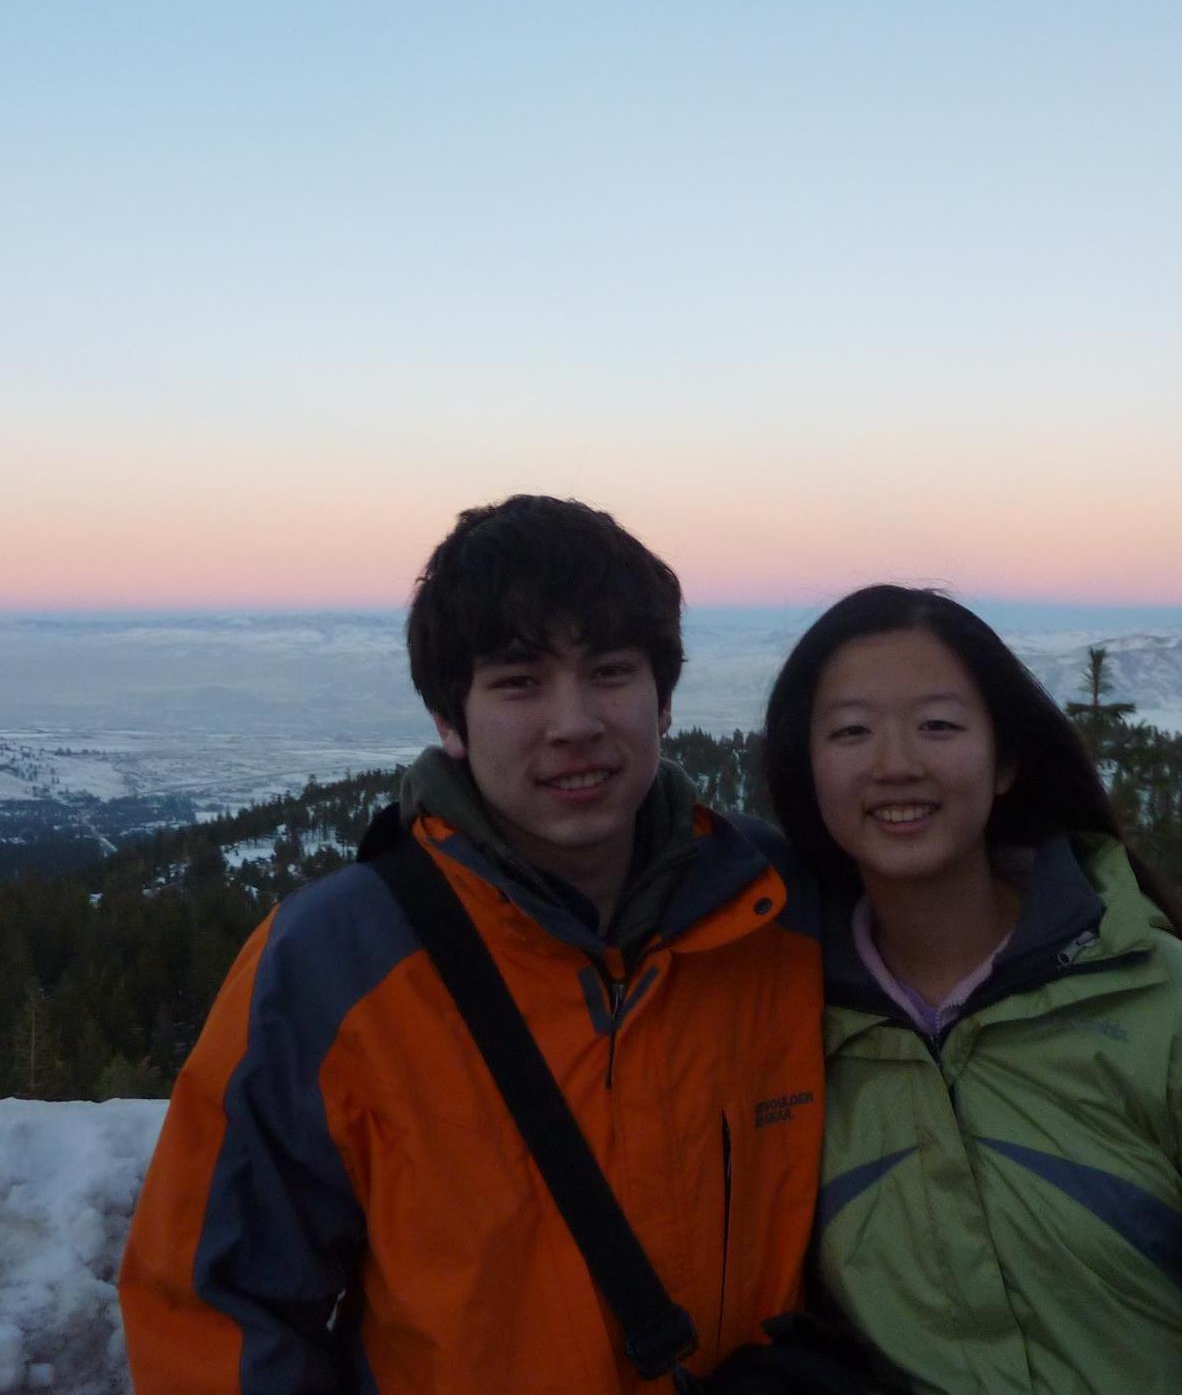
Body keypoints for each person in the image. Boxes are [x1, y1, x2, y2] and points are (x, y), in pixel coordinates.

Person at [118, 495, 825, 1393]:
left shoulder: (778, 909)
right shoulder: (333, 963)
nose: (574, 722)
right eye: (519, 683)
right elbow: (214, 1314)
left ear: (663, 697)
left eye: (609, 671)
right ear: (451, 720)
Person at [763, 585, 1182, 1395]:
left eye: (939, 725)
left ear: (1006, 759)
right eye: (850, 732)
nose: (895, 763)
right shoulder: (788, 1026)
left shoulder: (1160, 1002)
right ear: (807, 771)